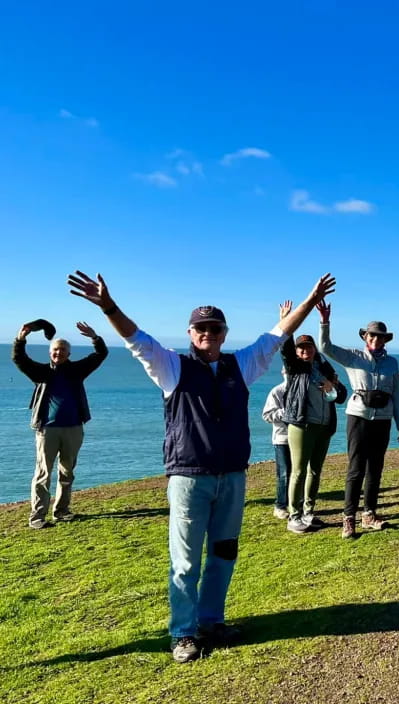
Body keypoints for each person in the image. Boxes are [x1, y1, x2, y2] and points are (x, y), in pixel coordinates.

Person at [67, 269, 336, 664]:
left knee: (224, 553)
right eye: (200, 328)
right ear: (191, 334)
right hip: (189, 477)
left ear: (224, 333)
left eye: (214, 327)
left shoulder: (239, 366)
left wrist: (310, 302)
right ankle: (183, 632)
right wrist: (107, 305)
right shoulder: (172, 367)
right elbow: (135, 338)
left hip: (232, 475)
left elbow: (278, 334)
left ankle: (211, 621)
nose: (207, 332)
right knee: (186, 559)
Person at [317, 301, 399, 540]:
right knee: (356, 469)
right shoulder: (353, 357)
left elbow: (396, 395)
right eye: (372, 336)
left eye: (380, 337)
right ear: (365, 337)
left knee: (375, 468)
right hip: (358, 417)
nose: (376, 340)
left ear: (385, 340)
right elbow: (324, 347)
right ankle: (349, 519)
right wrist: (325, 321)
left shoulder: (392, 363)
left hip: (383, 418)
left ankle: (369, 514)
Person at [12, 321, 109, 529]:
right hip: (47, 430)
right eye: (55, 350)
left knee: (67, 472)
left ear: (68, 353)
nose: (59, 353)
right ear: (50, 352)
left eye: (63, 350)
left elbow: (100, 355)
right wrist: (20, 339)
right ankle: (37, 517)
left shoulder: (77, 370)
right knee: (43, 473)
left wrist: (94, 337)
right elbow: (19, 360)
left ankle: (62, 511)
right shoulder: (42, 373)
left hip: (74, 429)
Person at [280, 321, 347, 534]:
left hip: (324, 426)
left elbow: (341, 396)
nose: (305, 350)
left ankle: (309, 512)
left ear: (314, 349)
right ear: (297, 351)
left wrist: (333, 385)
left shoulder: (323, 368)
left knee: (315, 471)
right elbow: (285, 351)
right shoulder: (295, 368)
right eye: (301, 348)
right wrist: (287, 327)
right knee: (298, 471)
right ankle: (294, 515)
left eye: (309, 347)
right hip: (302, 424)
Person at [261, 367, 291, 520]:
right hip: (282, 438)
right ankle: (280, 505)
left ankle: (295, 503)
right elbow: (266, 415)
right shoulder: (276, 392)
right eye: (288, 372)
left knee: (298, 473)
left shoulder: (303, 390)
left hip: (300, 438)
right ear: (283, 373)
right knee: (284, 473)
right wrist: (284, 412)